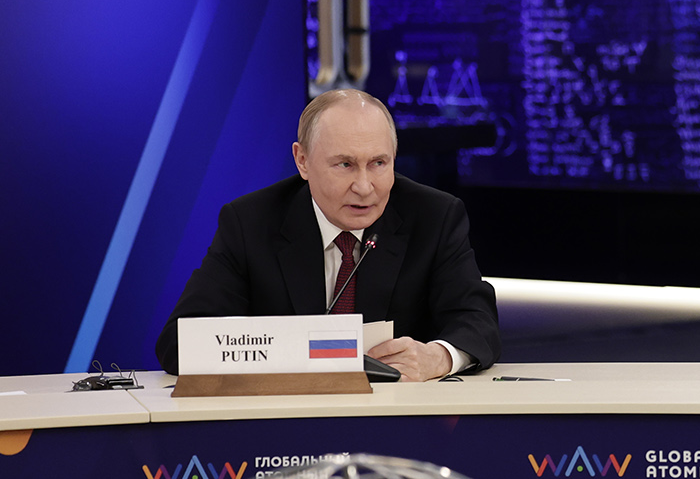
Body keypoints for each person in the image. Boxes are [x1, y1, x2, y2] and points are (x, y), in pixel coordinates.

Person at [156, 90, 500, 380]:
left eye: (378, 163)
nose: (364, 187)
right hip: (283, 425)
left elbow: (477, 322)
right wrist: (277, 352)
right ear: (302, 161)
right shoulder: (251, 223)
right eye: (345, 165)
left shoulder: (434, 217)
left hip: (397, 423)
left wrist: (438, 357)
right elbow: (179, 343)